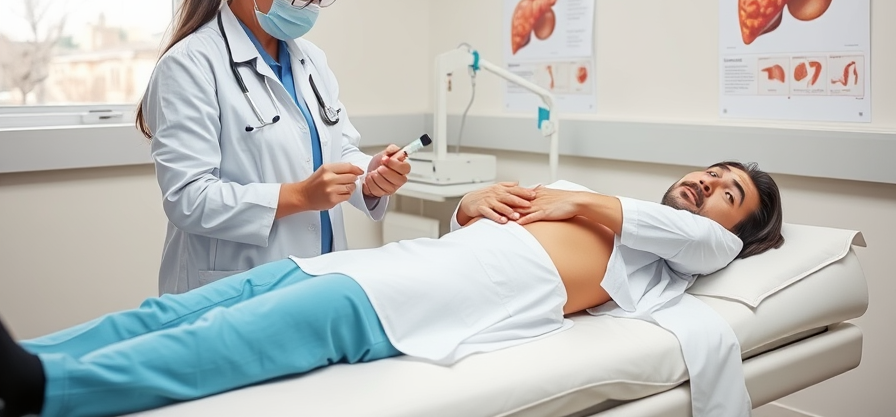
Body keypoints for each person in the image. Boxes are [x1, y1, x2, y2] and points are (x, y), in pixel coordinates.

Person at [0, 161, 784, 417]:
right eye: (712, 173)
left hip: (409, 306)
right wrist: (470, 203)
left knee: (224, 346)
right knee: (179, 311)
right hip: (381, 266)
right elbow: (473, 220)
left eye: (729, 194)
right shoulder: (627, 213)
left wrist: (570, 198)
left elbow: (699, 236)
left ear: (737, 230)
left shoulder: (685, 253)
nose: (710, 186)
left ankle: (46, 387)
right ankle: (28, 356)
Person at [134, 0, 411, 295]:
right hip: (233, 288)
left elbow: (338, 149)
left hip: (320, 275)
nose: (312, 7)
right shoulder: (191, 64)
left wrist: (371, 175)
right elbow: (188, 198)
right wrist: (299, 196)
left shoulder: (311, 59)